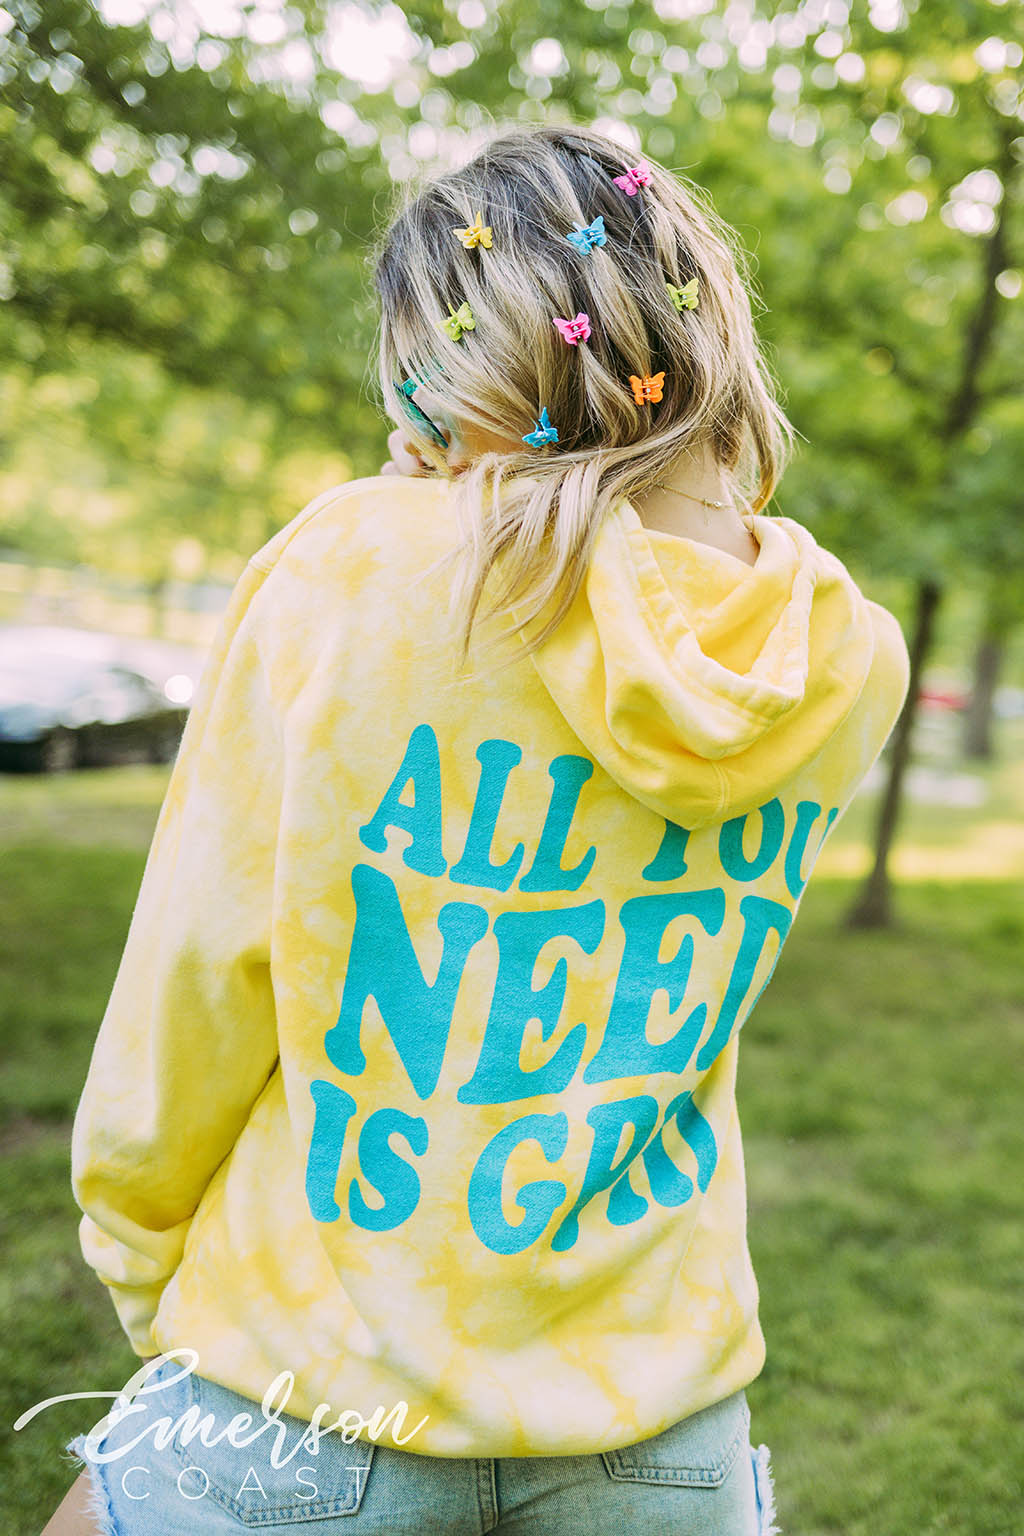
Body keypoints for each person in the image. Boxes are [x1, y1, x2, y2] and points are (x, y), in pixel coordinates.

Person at [52, 123, 910, 1535]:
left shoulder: (355, 565)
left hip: (310, 1377)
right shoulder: (837, 650)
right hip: (660, 1425)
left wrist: (141, 1261)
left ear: (449, 363)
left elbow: (196, 979)